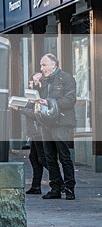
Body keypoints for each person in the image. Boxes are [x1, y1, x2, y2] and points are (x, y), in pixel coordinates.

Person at [35, 53, 77, 200]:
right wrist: (37, 85)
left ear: (54, 65)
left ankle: (69, 187)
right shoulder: (44, 81)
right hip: (45, 123)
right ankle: (55, 188)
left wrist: (50, 102)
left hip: (61, 123)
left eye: (44, 65)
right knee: (49, 157)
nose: (41, 68)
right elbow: (37, 99)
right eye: (41, 65)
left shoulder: (66, 78)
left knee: (64, 156)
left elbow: (70, 100)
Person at [15, 72, 47, 195]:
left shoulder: (41, 95)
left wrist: (20, 109)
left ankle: (59, 181)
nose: (31, 84)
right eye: (30, 82)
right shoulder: (33, 95)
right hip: (35, 132)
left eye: (33, 82)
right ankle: (36, 186)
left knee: (42, 158)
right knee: (34, 158)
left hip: (39, 131)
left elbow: (36, 114)